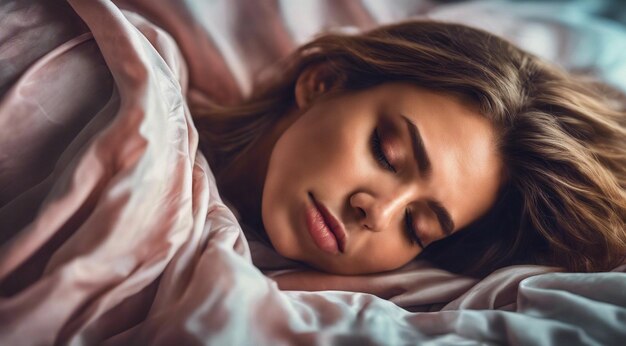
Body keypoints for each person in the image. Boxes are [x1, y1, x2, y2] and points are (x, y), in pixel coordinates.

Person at [192, 20, 626, 277]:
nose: (378, 214)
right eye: (386, 154)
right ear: (322, 83)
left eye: (416, 228)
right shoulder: (143, 101)